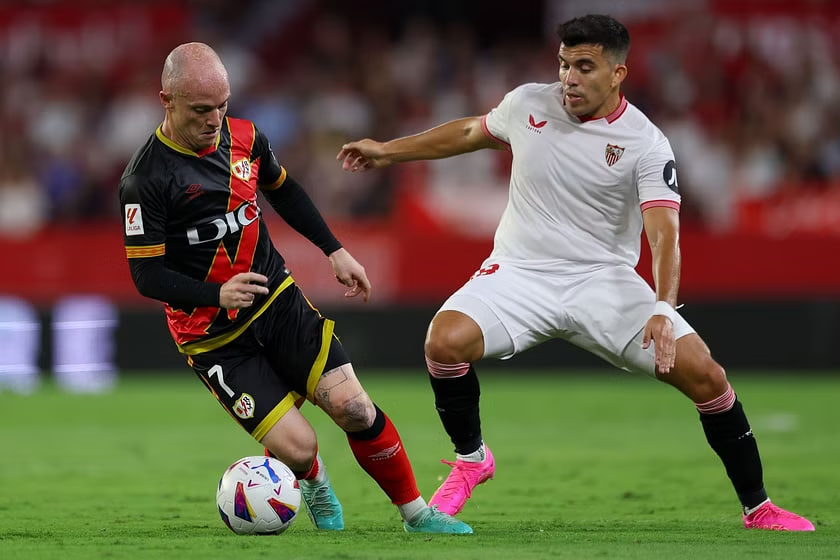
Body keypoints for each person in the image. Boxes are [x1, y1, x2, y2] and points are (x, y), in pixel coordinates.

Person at [337, 15, 815, 531]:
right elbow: (472, 131)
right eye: (564, 64)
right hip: (521, 271)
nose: (569, 77)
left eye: (584, 67)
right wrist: (387, 151)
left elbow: (664, 235)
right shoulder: (528, 104)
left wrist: (661, 307)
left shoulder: (646, 143)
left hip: (604, 281)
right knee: (443, 342)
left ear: (617, 74)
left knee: (708, 376)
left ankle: (759, 507)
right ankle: (472, 458)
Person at [119, 42, 471, 535]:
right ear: (167, 100)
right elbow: (146, 276)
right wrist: (216, 294)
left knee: (354, 407)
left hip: (276, 302)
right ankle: (314, 481)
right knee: (301, 447)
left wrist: (335, 250)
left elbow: (283, 190)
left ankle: (416, 514)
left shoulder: (245, 138)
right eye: (201, 110)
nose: (215, 119)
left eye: (222, 106)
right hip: (214, 337)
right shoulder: (145, 180)